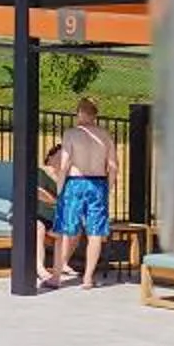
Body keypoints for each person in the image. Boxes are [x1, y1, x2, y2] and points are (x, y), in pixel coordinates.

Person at [44, 98, 117, 285]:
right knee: (95, 233)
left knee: (64, 231)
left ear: (79, 113)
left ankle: (57, 276)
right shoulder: (105, 136)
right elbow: (113, 166)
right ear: (95, 114)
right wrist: (107, 187)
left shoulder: (71, 134)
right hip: (98, 183)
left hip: (75, 183)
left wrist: (60, 187)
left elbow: (66, 163)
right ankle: (87, 278)